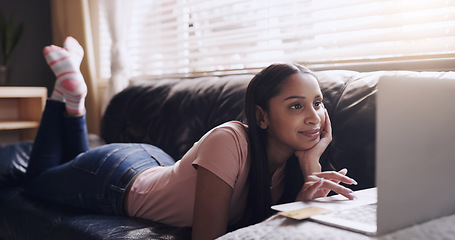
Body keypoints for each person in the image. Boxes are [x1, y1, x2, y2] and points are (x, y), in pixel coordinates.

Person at [24, 37, 358, 240]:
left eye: (317, 103)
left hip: (154, 162)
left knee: (68, 164)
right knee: (36, 182)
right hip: (116, 178)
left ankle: (71, 97)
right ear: (261, 117)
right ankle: (66, 98)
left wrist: (311, 164)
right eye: (296, 106)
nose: (314, 116)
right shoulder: (230, 140)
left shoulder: (295, 163)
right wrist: (294, 209)